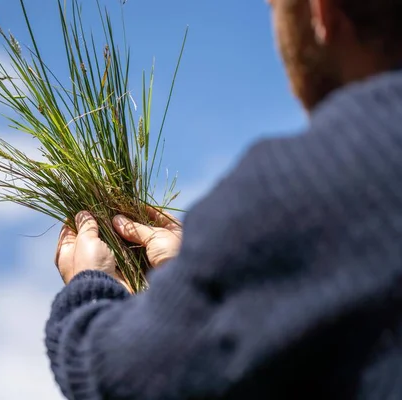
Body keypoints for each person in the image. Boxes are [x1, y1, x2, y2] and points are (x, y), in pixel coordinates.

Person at [45, 0, 402, 398]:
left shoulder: (296, 186)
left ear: (323, 14)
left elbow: (116, 377)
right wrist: (186, 280)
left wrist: (89, 286)